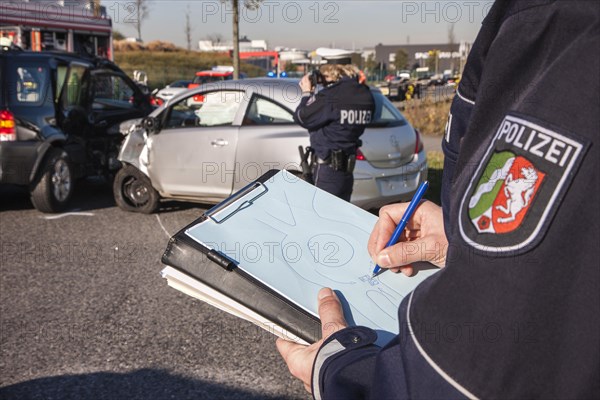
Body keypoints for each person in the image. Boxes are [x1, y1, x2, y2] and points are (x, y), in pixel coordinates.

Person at [277, 1, 599, 398]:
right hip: (351, 166)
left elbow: (464, 373)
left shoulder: (557, 26)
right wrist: (459, 234)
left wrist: (339, 373)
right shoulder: (362, 93)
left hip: (330, 165)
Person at [293, 64, 375, 201]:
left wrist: (307, 93)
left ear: (334, 73)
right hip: (347, 171)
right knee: (338, 217)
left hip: (327, 171)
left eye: (325, 75)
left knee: (321, 216)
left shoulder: (331, 96)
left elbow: (302, 116)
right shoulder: (365, 94)